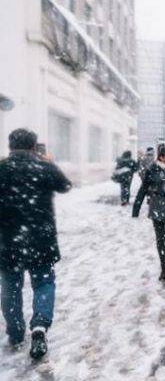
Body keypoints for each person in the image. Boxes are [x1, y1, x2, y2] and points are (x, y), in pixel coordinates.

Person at [0, 128, 72, 359]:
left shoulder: (1, 168)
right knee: (43, 283)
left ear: (10, 146)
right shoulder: (43, 166)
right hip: (41, 239)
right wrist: (47, 162)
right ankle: (40, 326)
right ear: (34, 146)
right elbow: (65, 186)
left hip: (8, 240)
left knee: (11, 286)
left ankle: (15, 332)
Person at [132, 144, 165, 281]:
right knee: (160, 240)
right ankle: (163, 267)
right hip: (157, 208)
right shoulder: (153, 169)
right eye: (163, 156)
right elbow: (143, 188)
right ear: (159, 156)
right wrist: (136, 209)